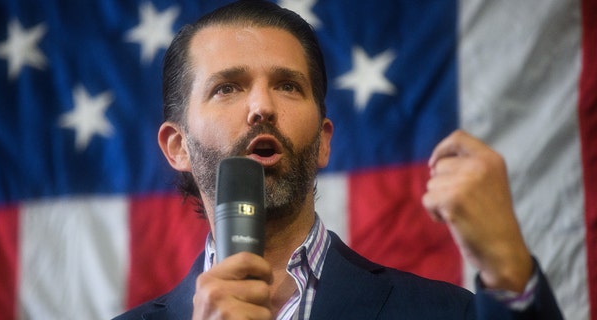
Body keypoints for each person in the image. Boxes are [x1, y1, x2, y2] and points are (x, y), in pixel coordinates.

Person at [115, 1, 563, 319]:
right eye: (227, 87)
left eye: (288, 85)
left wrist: (508, 275)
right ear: (178, 147)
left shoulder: (447, 312)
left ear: (325, 141)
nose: (261, 107)